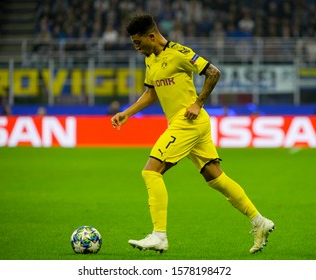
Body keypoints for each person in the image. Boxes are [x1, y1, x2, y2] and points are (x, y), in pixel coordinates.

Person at [110, 14, 275, 254]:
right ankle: (259, 221)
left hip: (188, 121)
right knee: (215, 178)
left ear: (152, 36)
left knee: (150, 171)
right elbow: (151, 93)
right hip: (190, 123)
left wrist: (198, 102)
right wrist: (127, 113)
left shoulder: (179, 53)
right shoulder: (150, 60)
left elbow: (214, 73)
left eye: (138, 42)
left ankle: (159, 235)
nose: (136, 47)